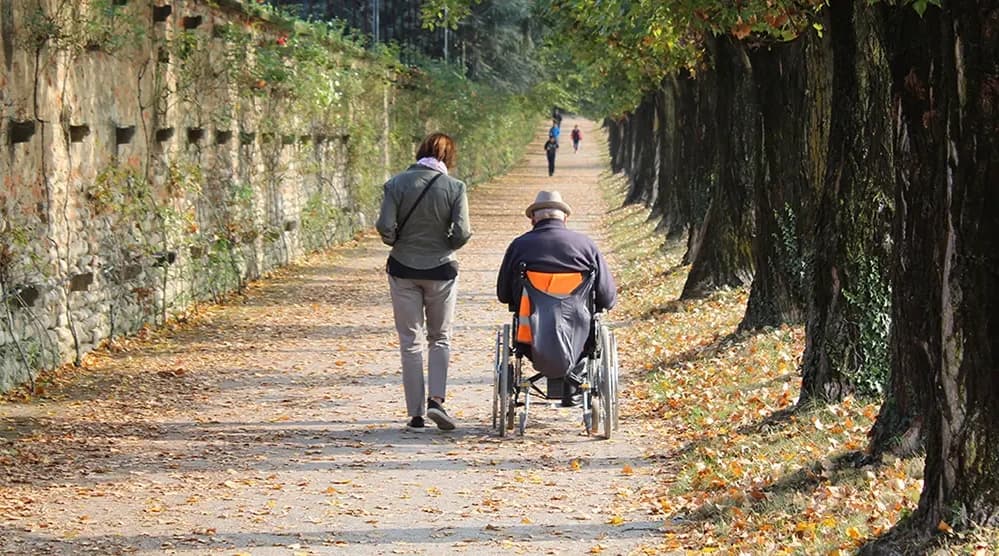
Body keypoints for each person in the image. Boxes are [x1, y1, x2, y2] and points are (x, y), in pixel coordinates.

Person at [376, 132, 472, 432]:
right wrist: (446, 245)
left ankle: (416, 414)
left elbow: (384, 226)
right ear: (448, 158)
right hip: (442, 270)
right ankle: (437, 401)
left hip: (403, 268)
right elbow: (463, 231)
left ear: (420, 152)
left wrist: (396, 241)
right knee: (440, 338)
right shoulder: (455, 187)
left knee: (410, 342)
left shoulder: (396, 184)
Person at [496, 191, 616, 406]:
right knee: (580, 324)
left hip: (530, 336)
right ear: (565, 218)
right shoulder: (586, 246)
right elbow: (607, 298)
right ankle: (573, 389)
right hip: (580, 337)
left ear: (533, 219)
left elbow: (503, 295)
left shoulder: (519, 246)